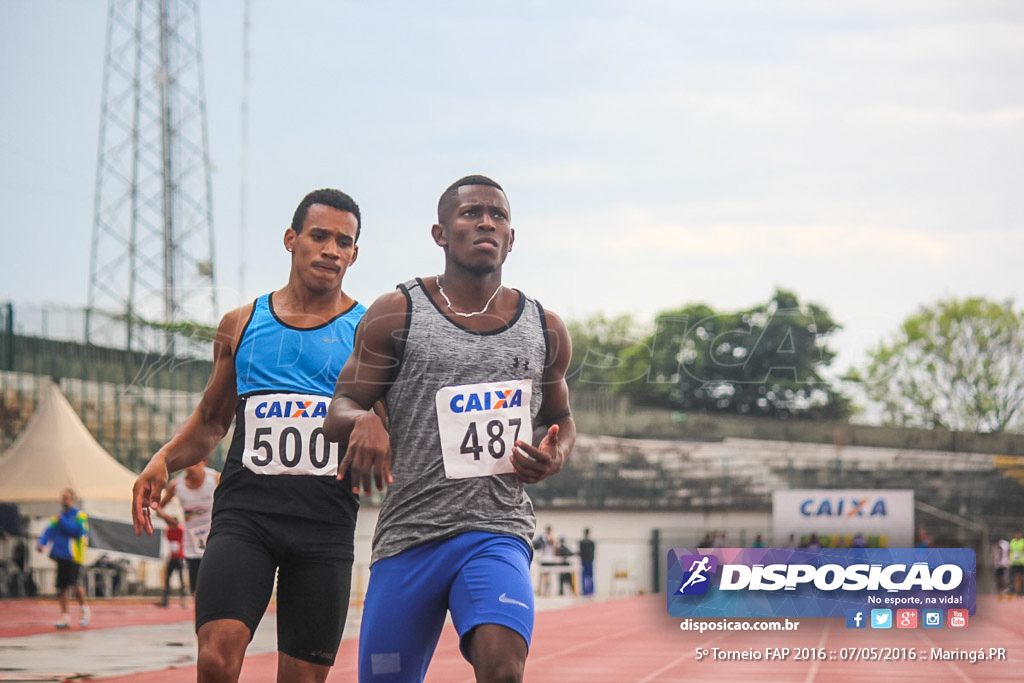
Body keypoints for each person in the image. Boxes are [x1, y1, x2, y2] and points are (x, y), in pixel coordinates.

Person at [324, 174, 575, 683]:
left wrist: (557, 454)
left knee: (503, 667)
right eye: (470, 213)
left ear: (511, 237)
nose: (486, 221)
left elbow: (562, 419)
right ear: (440, 234)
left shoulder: (544, 326)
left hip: (496, 531)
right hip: (411, 535)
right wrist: (366, 419)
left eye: (498, 215)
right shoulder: (396, 312)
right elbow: (340, 407)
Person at [131, 188, 367, 683]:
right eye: (319, 236)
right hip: (246, 518)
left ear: (354, 254)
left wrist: (376, 428)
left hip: (324, 525)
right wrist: (165, 459)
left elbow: (387, 421)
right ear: (291, 239)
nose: (330, 250)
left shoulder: (367, 331)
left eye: (343, 242)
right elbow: (213, 420)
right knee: (216, 658)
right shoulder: (240, 324)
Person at [156, 457, 218, 601]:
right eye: (187, 465)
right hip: (192, 543)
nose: (191, 468)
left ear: (204, 463)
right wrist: (167, 518)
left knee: (214, 584)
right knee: (196, 590)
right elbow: (158, 507)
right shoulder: (177, 485)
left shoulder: (214, 478)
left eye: (195, 463)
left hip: (214, 539)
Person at [36, 488, 90, 629]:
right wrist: (41, 543)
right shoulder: (58, 516)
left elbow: (78, 531)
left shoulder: (79, 515)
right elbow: (48, 531)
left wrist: (63, 522)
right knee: (62, 588)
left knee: (76, 585)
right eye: (63, 497)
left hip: (75, 557)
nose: (64, 500)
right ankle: (65, 617)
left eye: (67, 497)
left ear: (73, 499)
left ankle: (84, 609)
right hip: (61, 556)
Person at [154, 508, 188, 607]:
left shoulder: (180, 530)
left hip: (180, 557)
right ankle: (165, 600)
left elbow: (180, 526)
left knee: (181, 580)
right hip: (172, 557)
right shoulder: (168, 531)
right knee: (167, 579)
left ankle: (183, 600)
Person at [578, 528, 595, 597]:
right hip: (589, 561)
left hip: (584, 561)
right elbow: (593, 551)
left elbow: (580, 552)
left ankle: (585, 592)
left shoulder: (582, 542)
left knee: (584, 577)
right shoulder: (591, 542)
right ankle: (591, 591)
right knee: (590, 577)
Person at [1009, 530, 1024, 598]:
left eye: (1018, 534)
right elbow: (1010, 551)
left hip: (1022, 562)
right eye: (1016, 534)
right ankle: (1018, 592)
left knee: (1022, 578)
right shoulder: (1012, 542)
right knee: (1016, 578)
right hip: (1014, 562)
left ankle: (1021, 591)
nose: (1017, 536)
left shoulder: (1022, 542)